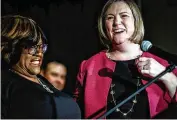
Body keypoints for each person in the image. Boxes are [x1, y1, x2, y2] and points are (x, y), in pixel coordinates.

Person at [74, 0, 177, 119]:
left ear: (136, 21)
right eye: (110, 18)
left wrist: (166, 76)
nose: (117, 22)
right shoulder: (89, 65)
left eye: (124, 16)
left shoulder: (161, 63)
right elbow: (75, 109)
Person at [1, 15, 81, 119]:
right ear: (12, 47)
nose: (39, 53)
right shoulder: (5, 84)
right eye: (32, 47)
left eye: (41, 47)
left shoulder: (41, 81)